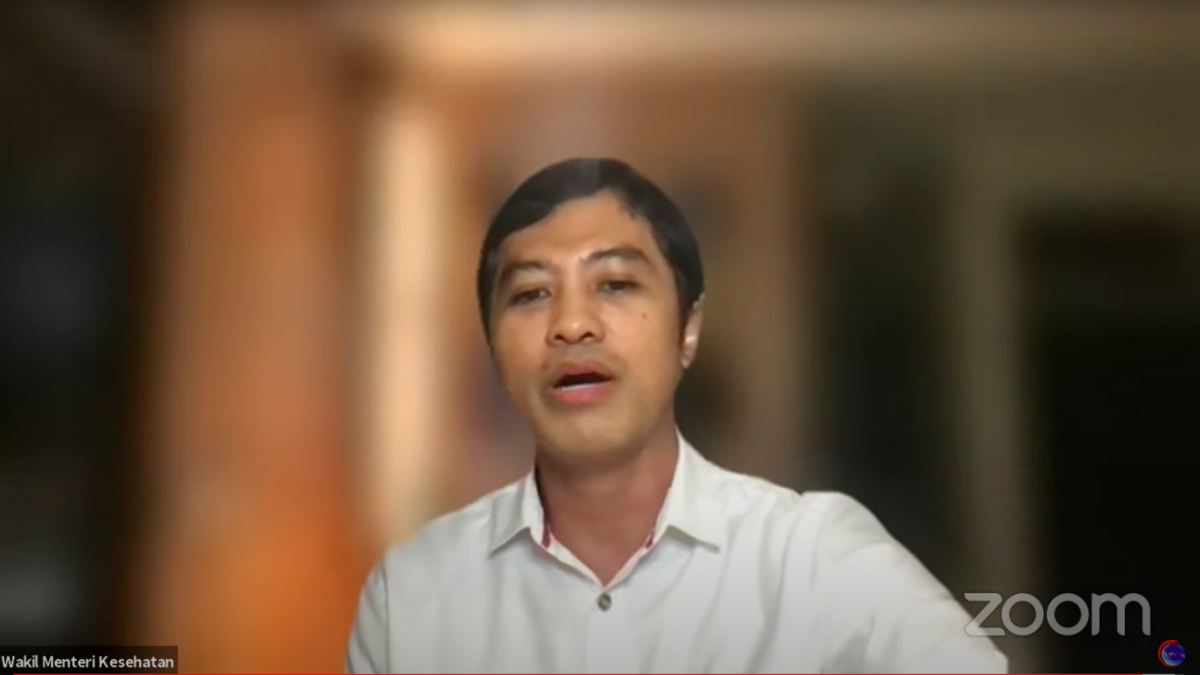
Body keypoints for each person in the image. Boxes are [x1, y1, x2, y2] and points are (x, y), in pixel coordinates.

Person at [345, 158, 1007, 673]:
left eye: (615, 284)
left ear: (687, 330)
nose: (572, 324)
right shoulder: (412, 597)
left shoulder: (815, 559)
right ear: (493, 346)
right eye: (532, 293)